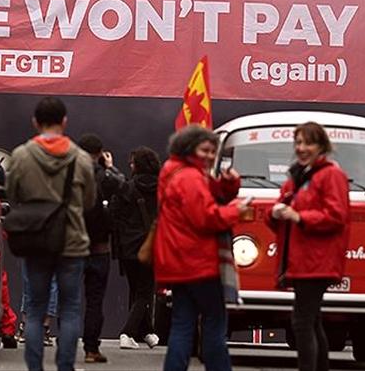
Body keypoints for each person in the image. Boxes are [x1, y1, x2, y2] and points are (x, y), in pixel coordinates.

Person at [7, 97, 97, 371]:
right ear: (64, 121)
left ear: (35, 122)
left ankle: (35, 368)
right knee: (69, 309)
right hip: (72, 242)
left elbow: (13, 195)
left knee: (35, 309)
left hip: (36, 240)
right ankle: (65, 366)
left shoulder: (22, 156)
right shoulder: (80, 158)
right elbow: (90, 200)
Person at [155, 125, 248, 371]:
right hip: (199, 263)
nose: (209, 156)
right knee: (215, 326)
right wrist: (235, 211)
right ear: (189, 148)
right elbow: (207, 217)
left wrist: (229, 185)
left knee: (182, 325)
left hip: (178, 263)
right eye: (204, 150)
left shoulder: (175, 172)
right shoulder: (191, 178)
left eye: (212, 151)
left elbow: (209, 196)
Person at [268, 122, 350, 371]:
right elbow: (281, 216)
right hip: (302, 260)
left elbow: (336, 216)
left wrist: (299, 217)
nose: (302, 148)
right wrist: (274, 213)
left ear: (321, 146)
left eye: (308, 143)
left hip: (317, 261)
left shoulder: (331, 175)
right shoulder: (297, 177)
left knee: (302, 322)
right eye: (299, 142)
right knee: (311, 321)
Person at [78, 133, 125, 364]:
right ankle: (91, 349)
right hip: (99, 248)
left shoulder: (71, 175)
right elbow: (123, 186)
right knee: (95, 300)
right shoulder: (106, 177)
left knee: (70, 300)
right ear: (99, 154)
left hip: (73, 247)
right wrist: (110, 167)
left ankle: (66, 349)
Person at [112, 147, 162, 350]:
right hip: (151, 245)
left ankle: (139, 332)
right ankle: (135, 332)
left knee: (136, 290)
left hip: (129, 247)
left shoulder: (127, 188)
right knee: (145, 291)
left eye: (133, 162)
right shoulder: (163, 188)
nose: (130, 165)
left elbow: (114, 214)